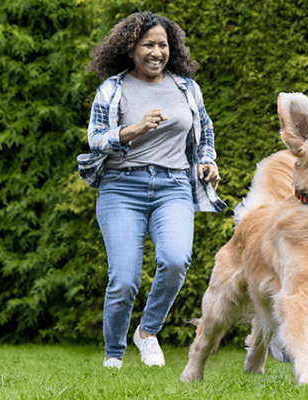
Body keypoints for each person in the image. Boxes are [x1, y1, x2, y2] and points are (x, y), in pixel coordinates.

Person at [76, 11, 226, 369]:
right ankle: (114, 354)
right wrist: (134, 129)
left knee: (175, 260)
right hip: (121, 188)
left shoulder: (187, 87)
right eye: (148, 45)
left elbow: (204, 132)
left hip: (173, 185)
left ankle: (147, 331)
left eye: (163, 45)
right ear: (131, 49)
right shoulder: (113, 88)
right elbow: (96, 139)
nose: (157, 51)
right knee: (124, 280)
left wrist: (207, 161)